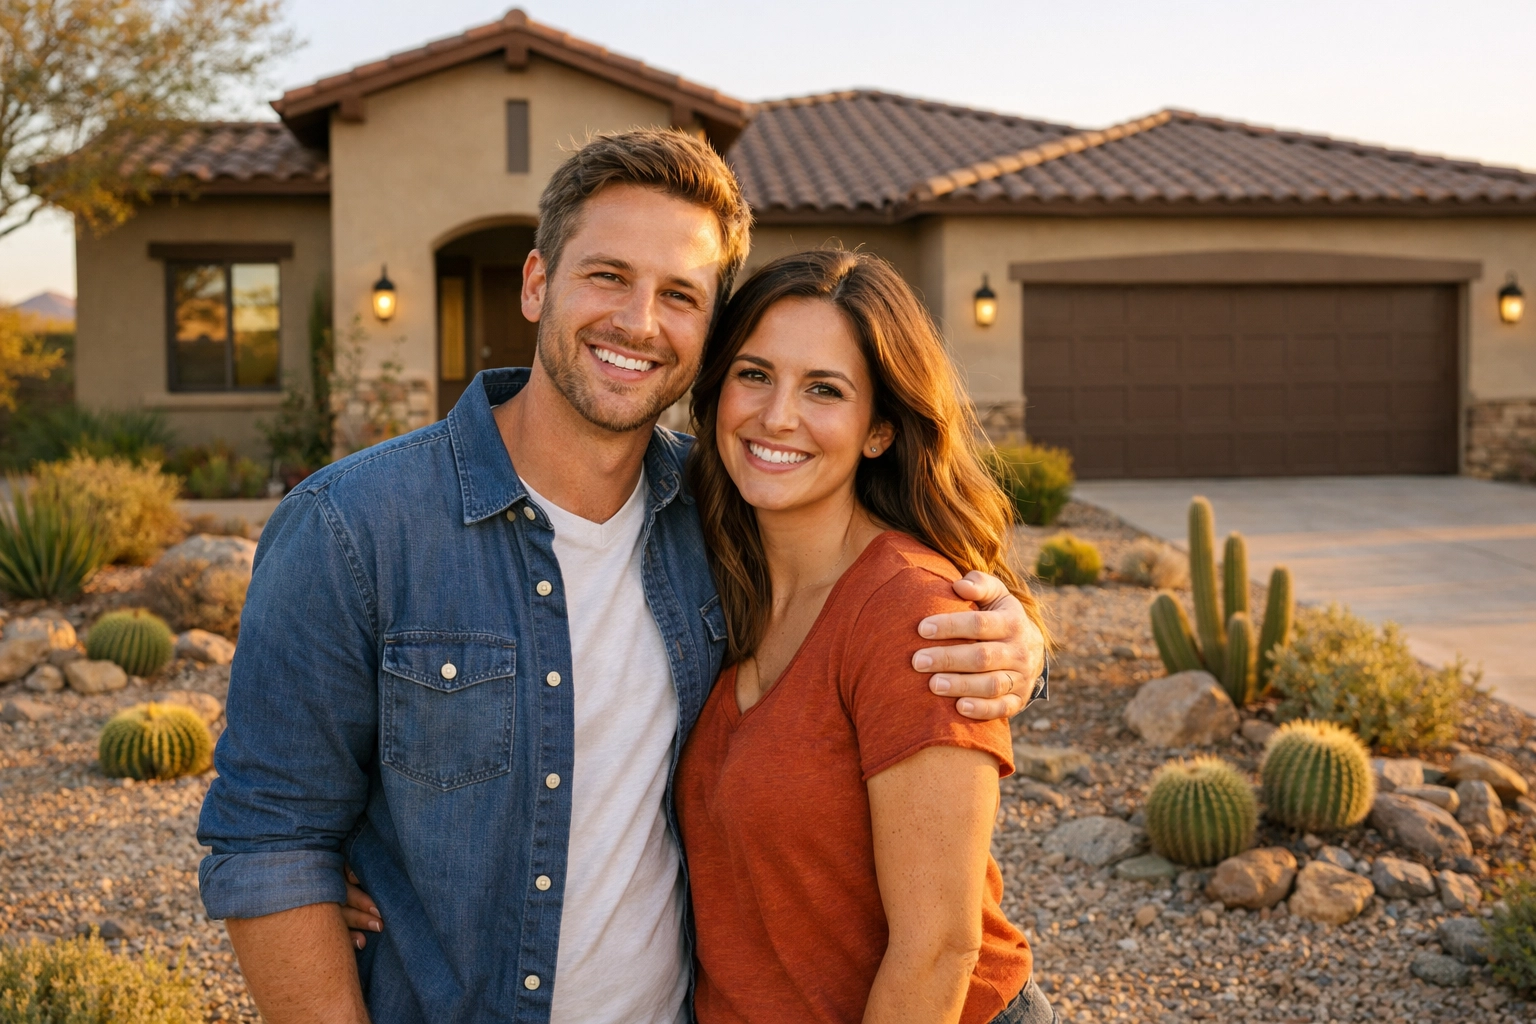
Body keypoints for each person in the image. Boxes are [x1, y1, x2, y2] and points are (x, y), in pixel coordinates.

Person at [197, 128, 1048, 1024]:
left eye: (680, 294)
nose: (639, 322)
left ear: (707, 330)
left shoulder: (719, 516)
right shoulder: (353, 528)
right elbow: (269, 838)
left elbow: (895, 613)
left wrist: (1018, 642)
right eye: (607, 276)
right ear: (537, 284)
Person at [675, 249, 1055, 1024]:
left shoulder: (914, 615)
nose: (776, 416)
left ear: (879, 428)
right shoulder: (705, 568)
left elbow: (939, 947)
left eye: (824, 389)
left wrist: (1030, 653)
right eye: (754, 374)